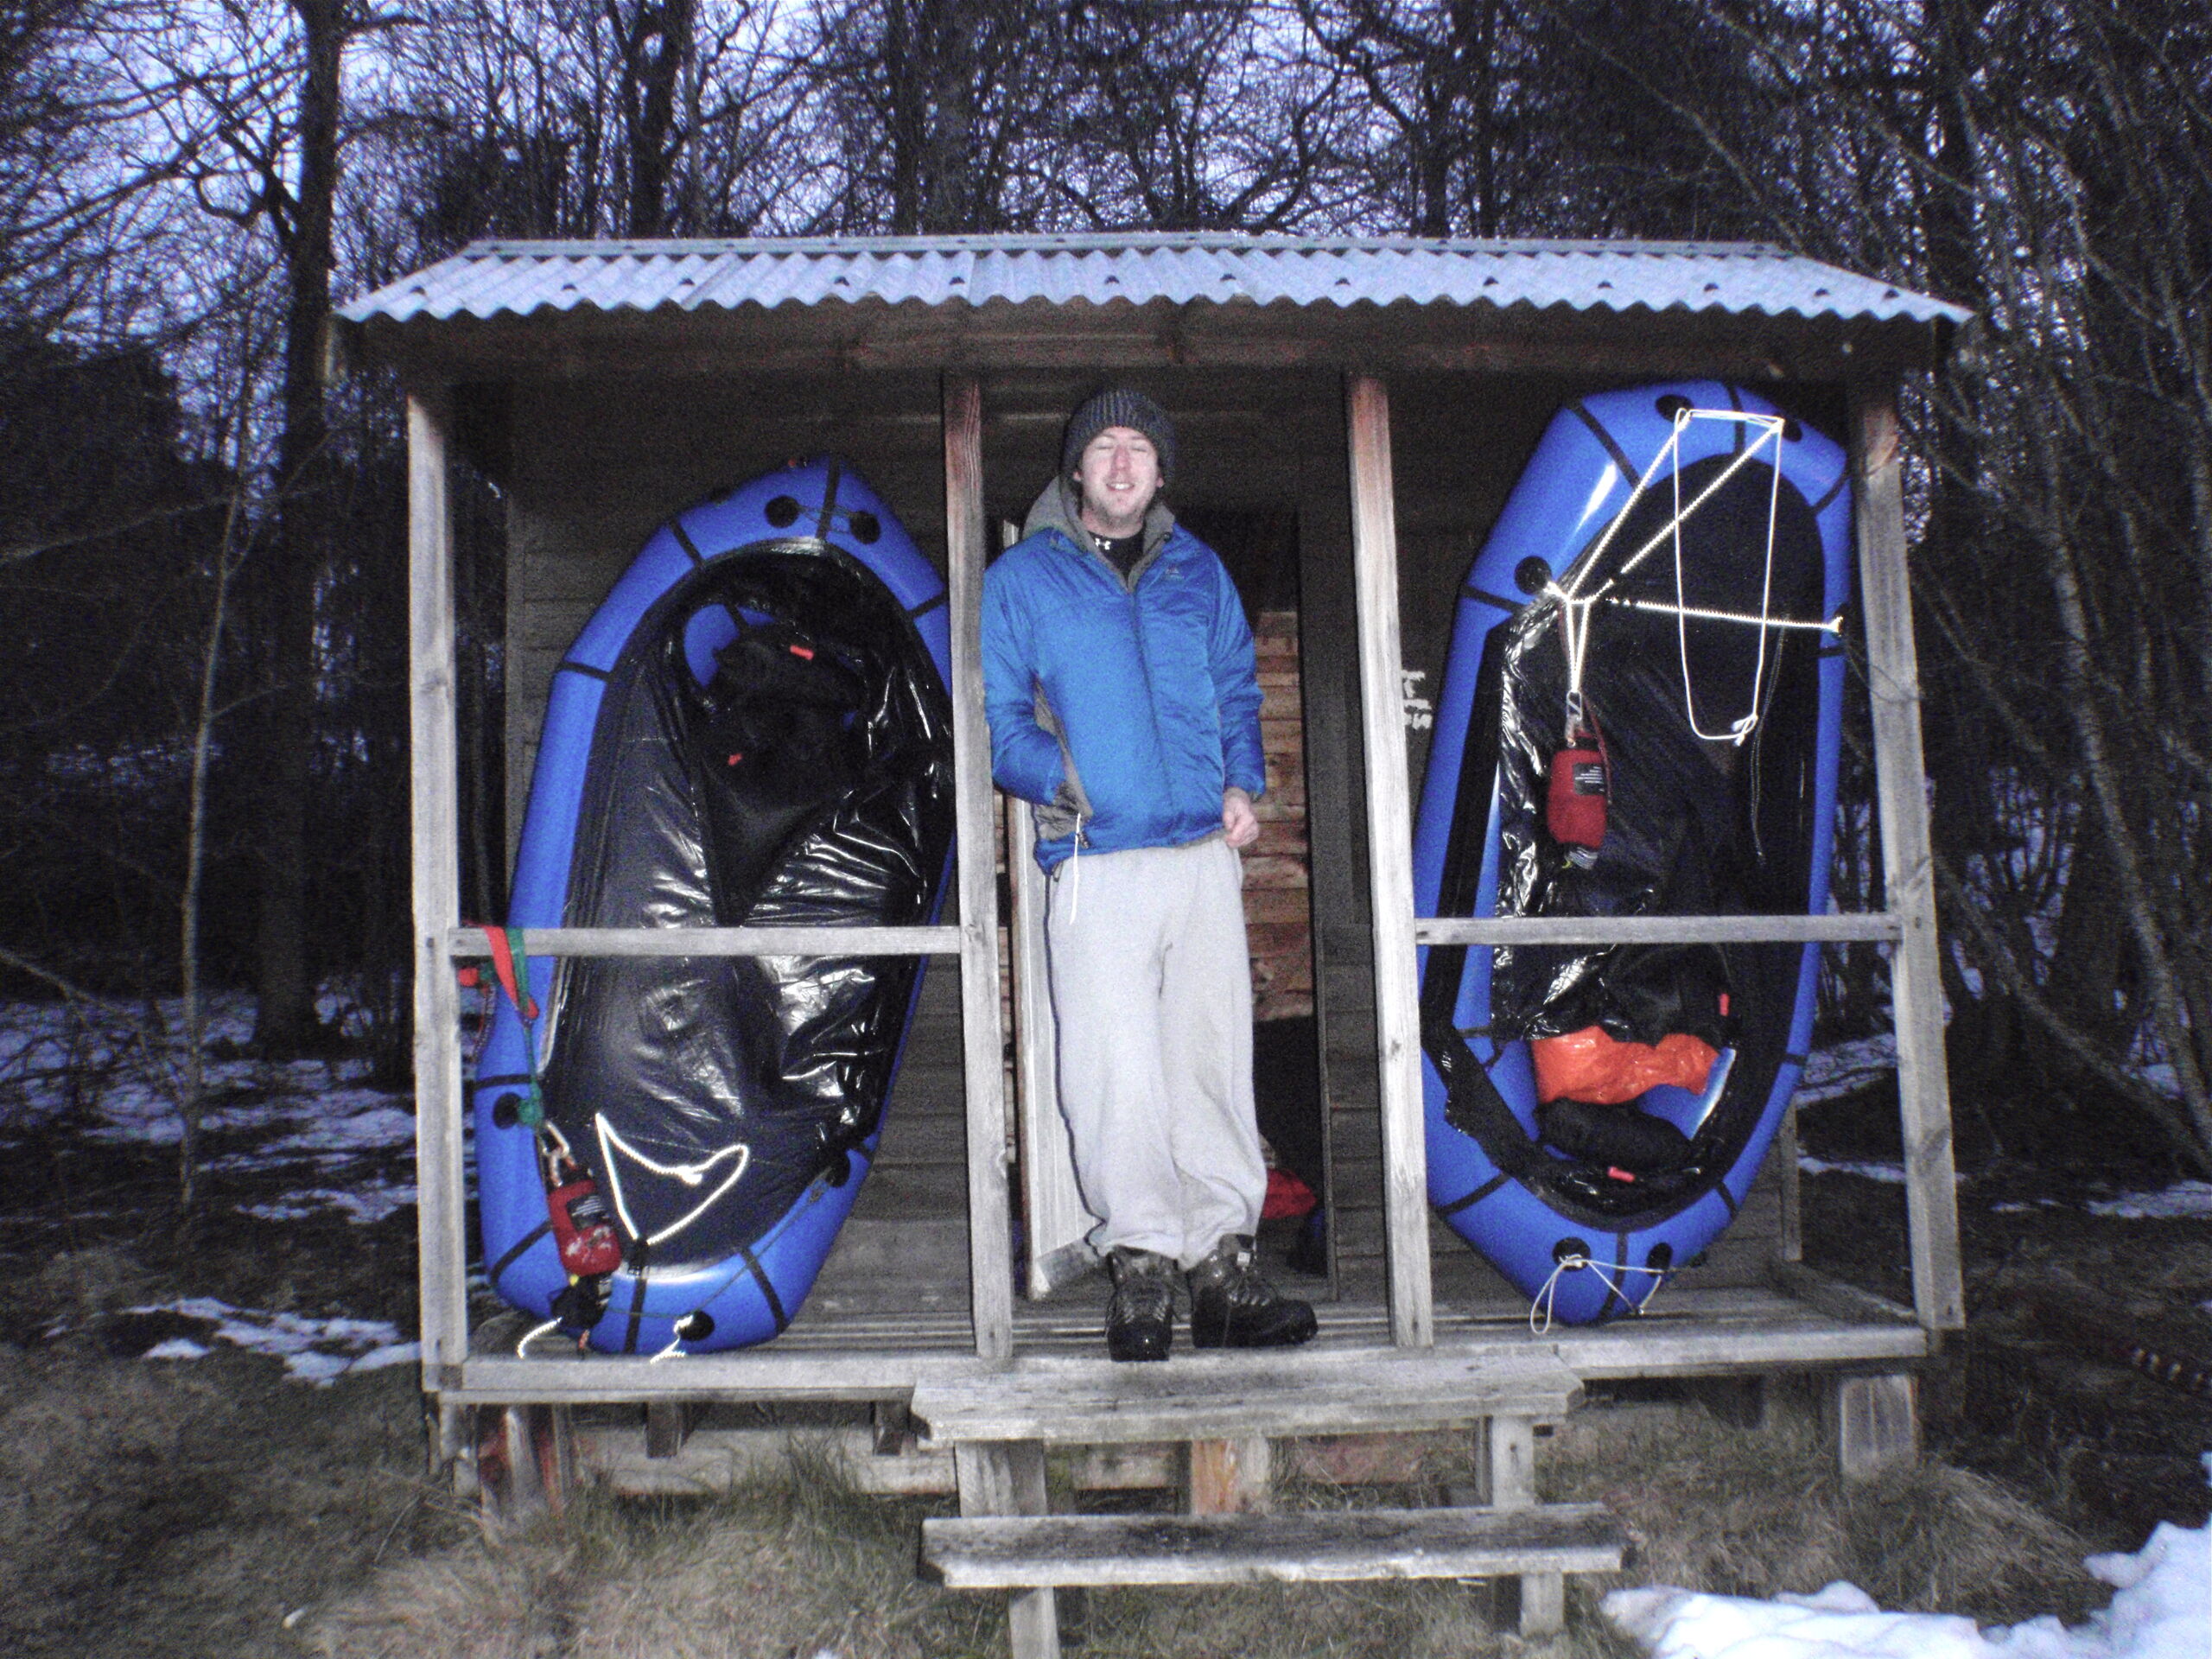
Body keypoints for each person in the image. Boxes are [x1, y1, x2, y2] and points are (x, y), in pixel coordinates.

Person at [982, 386, 1319, 1362]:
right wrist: (1069, 780)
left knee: (1210, 1064)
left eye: (1140, 449)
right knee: (1112, 1073)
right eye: (1105, 450)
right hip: (1094, 866)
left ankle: (1221, 1270)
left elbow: (1235, 689)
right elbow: (1001, 722)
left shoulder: (1199, 573)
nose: (1122, 465)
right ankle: (1141, 1272)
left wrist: (1243, 784)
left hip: (1200, 860)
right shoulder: (1021, 581)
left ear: (1160, 473)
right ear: (1075, 470)